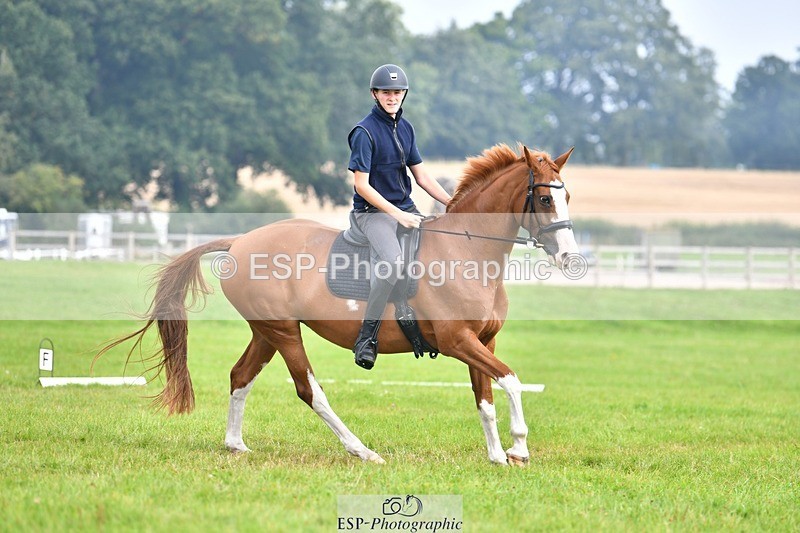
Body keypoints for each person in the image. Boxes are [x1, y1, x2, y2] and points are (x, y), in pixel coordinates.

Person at [348, 63, 451, 370]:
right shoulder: (364, 132)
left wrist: (454, 203)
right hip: (372, 214)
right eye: (386, 92)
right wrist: (396, 214)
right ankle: (367, 337)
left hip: (404, 209)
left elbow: (422, 177)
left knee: (439, 247)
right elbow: (360, 185)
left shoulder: (405, 128)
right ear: (374, 94)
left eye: (397, 92)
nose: (392, 97)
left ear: (404, 94)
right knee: (393, 262)